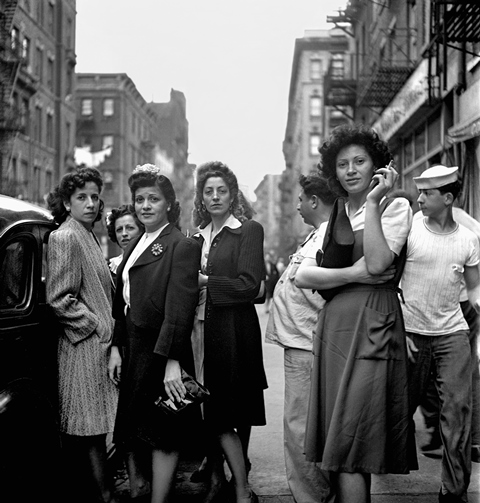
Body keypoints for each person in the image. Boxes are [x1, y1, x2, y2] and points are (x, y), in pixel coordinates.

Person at [295, 124, 416, 503]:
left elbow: (379, 262)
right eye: (343, 163)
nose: (350, 170)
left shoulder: (395, 205)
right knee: (342, 450)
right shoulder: (337, 214)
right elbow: (303, 274)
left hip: (373, 324)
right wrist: (352, 273)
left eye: (360, 161)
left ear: (377, 166)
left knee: (352, 443)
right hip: (336, 330)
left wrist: (377, 202)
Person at [108, 163, 201, 503]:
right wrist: (117, 347)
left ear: (168, 204)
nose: (145, 206)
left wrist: (172, 362)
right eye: (139, 199)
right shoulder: (138, 242)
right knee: (137, 427)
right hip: (135, 348)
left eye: (153, 199)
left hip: (162, 349)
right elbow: (122, 302)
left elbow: (180, 308)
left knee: (165, 430)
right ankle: (142, 490)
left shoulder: (180, 244)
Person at [401, 165, 480, 503]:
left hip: (452, 334)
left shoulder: (468, 238)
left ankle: (453, 491)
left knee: (457, 412)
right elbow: (388, 281)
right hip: (409, 334)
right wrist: (395, 328)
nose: (419, 199)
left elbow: (474, 290)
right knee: (396, 408)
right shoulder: (408, 231)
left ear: (447, 198)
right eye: (419, 192)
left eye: (427, 194)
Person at [191, 160, 267, 503]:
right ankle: (218, 478)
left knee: (232, 407)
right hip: (201, 330)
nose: (215, 196)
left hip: (235, 331)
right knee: (208, 406)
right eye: (209, 191)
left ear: (233, 194)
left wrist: (207, 282)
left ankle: (238, 482)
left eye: (222, 190)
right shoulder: (195, 237)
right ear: (201, 198)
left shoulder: (248, 230)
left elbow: (250, 286)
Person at [46, 167, 119, 503]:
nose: (91, 203)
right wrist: (95, 325)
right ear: (67, 202)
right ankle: (103, 495)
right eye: (81, 197)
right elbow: (59, 298)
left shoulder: (86, 233)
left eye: (94, 196)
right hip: (82, 349)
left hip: (98, 347)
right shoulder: (65, 236)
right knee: (89, 432)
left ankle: (102, 492)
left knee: (98, 429)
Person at [265, 172, 336, 503]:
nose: (296, 206)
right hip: (301, 342)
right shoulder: (317, 235)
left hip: (307, 344)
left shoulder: (325, 236)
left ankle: (312, 496)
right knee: (304, 425)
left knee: (300, 428)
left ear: (314, 201)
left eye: (299, 199)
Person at [106, 204, 144, 278]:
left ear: (142, 230)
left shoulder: (153, 262)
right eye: (119, 229)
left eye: (130, 228)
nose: (124, 234)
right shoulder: (111, 267)